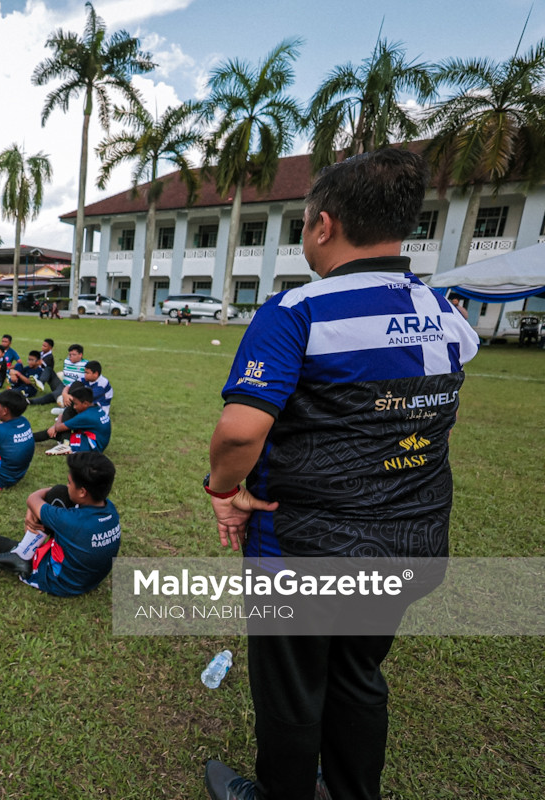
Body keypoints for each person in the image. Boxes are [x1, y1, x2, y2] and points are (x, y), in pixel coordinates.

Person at [202, 149, 480, 800]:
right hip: (411, 544)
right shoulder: (446, 313)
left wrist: (222, 491)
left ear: (322, 225)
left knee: (293, 692)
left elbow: (241, 430)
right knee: (358, 676)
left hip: (307, 551)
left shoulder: (298, 311)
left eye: (302, 224)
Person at [0, 451, 120, 596]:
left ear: (82, 492)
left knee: (1, 545)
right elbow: (57, 495)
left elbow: (33, 498)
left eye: (69, 482)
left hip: (57, 581)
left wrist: (32, 509)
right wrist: (41, 505)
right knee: (59, 493)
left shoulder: (70, 521)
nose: (67, 484)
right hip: (89, 579)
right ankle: (24, 551)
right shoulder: (110, 509)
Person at [32, 385, 111, 456]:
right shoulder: (96, 408)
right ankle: (30, 439)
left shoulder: (85, 416)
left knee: (56, 432)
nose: (74, 407)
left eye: (76, 404)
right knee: (55, 431)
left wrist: (60, 417)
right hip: (97, 441)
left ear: (85, 403)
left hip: (92, 447)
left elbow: (59, 428)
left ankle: (66, 445)